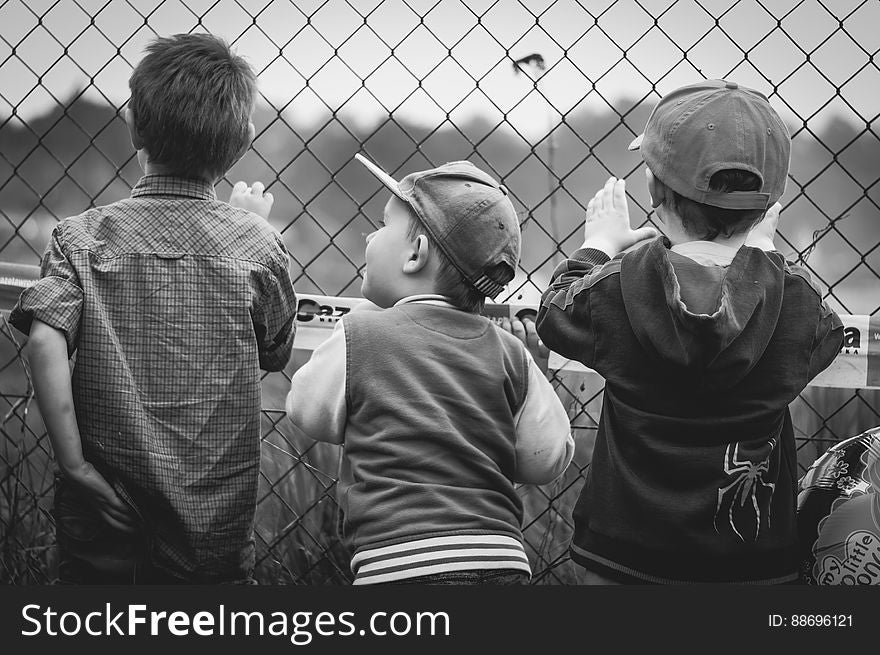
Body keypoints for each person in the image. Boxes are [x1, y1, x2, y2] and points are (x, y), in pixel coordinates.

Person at [10, 33, 297, 584]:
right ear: (241, 144)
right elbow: (275, 351)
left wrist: (74, 466)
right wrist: (248, 226)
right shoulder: (256, 246)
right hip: (210, 517)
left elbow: (44, 337)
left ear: (136, 127)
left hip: (104, 500)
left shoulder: (82, 237)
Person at [536, 79, 844, 584]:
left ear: (656, 190)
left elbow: (555, 313)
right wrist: (763, 258)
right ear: (770, 204)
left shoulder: (619, 287)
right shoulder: (794, 303)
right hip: (751, 567)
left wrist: (599, 245)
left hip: (620, 558)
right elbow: (824, 338)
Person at [285, 155, 574, 585]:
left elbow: (304, 410)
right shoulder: (510, 352)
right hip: (500, 557)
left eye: (383, 224)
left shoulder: (361, 332)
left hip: (398, 563)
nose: (371, 235)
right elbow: (546, 459)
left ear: (415, 254)